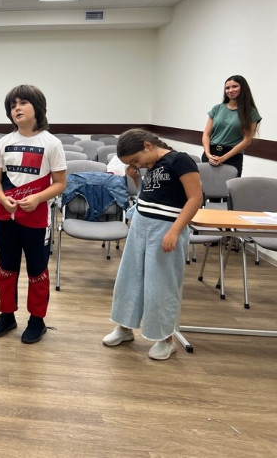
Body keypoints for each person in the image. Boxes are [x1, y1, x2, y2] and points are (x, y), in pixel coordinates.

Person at [103, 128, 201, 361]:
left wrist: (175, 230)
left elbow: (195, 198)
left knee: (161, 284)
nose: (138, 165)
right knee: (129, 278)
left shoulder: (180, 160)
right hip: (141, 225)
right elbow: (151, 195)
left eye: (136, 160)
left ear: (147, 145)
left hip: (166, 228)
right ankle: (124, 327)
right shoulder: (151, 164)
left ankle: (165, 339)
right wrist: (136, 178)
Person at [0, 85, 67, 344]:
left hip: (37, 219)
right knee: (6, 268)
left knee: (37, 270)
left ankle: (37, 320)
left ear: (37, 107)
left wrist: (38, 198)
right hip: (5, 217)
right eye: (12, 105)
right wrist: (2, 198)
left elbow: (60, 183)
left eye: (22, 103)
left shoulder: (51, 143)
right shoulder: (4, 142)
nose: (17, 109)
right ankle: (6, 315)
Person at [201, 75, 261, 177]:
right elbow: (206, 134)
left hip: (232, 157)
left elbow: (247, 140)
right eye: (227, 88)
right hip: (211, 154)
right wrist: (208, 154)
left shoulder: (250, 112)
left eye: (234, 86)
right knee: (205, 185)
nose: (230, 90)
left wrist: (223, 158)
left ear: (243, 88)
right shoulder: (217, 109)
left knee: (229, 187)